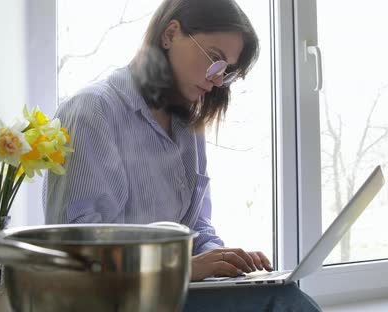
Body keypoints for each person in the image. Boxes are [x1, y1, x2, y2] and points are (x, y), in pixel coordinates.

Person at [44, 0, 273, 281]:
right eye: (215, 59)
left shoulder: (189, 127)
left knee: (278, 294)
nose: (216, 81)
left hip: (173, 295)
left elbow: (195, 229)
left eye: (226, 72)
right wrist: (182, 269)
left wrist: (224, 260)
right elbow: (75, 250)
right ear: (170, 34)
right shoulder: (92, 111)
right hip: (115, 301)